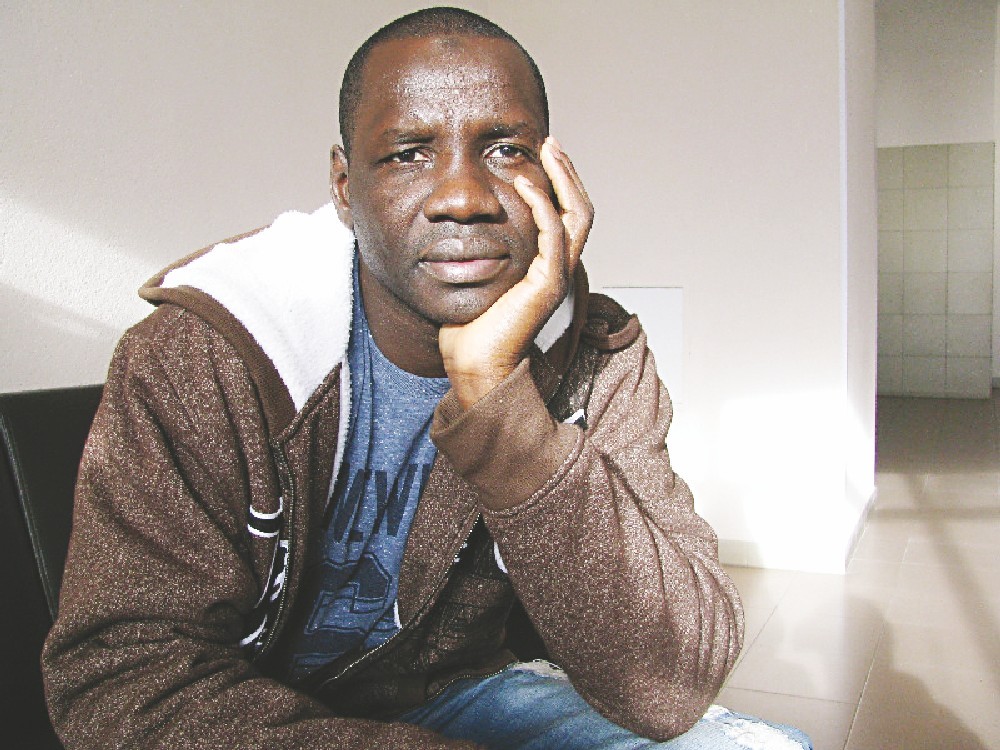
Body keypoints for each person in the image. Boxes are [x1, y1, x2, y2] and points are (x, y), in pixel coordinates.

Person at [42, 7, 811, 750]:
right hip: (248, 712)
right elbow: (122, 684)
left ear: (554, 176)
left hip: (454, 696)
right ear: (345, 187)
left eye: (505, 149)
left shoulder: (596, 354)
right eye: (409, 153)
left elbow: (669, 686)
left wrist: (497, 396)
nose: (464, 199)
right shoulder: (205, 353)